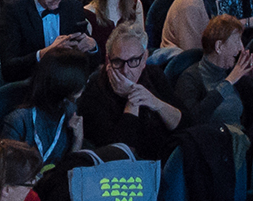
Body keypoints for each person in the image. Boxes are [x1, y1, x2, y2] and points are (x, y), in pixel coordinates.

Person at [78, 24, 181, 160]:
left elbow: (183, 124)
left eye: (133, 61)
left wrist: (156, 103)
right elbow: (121, 152)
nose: (125, 70)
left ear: (144, 59)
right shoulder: (95, 90)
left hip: (164, 157)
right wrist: (133, 100)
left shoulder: (154, 75)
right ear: (108, 59)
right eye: (118, 62)